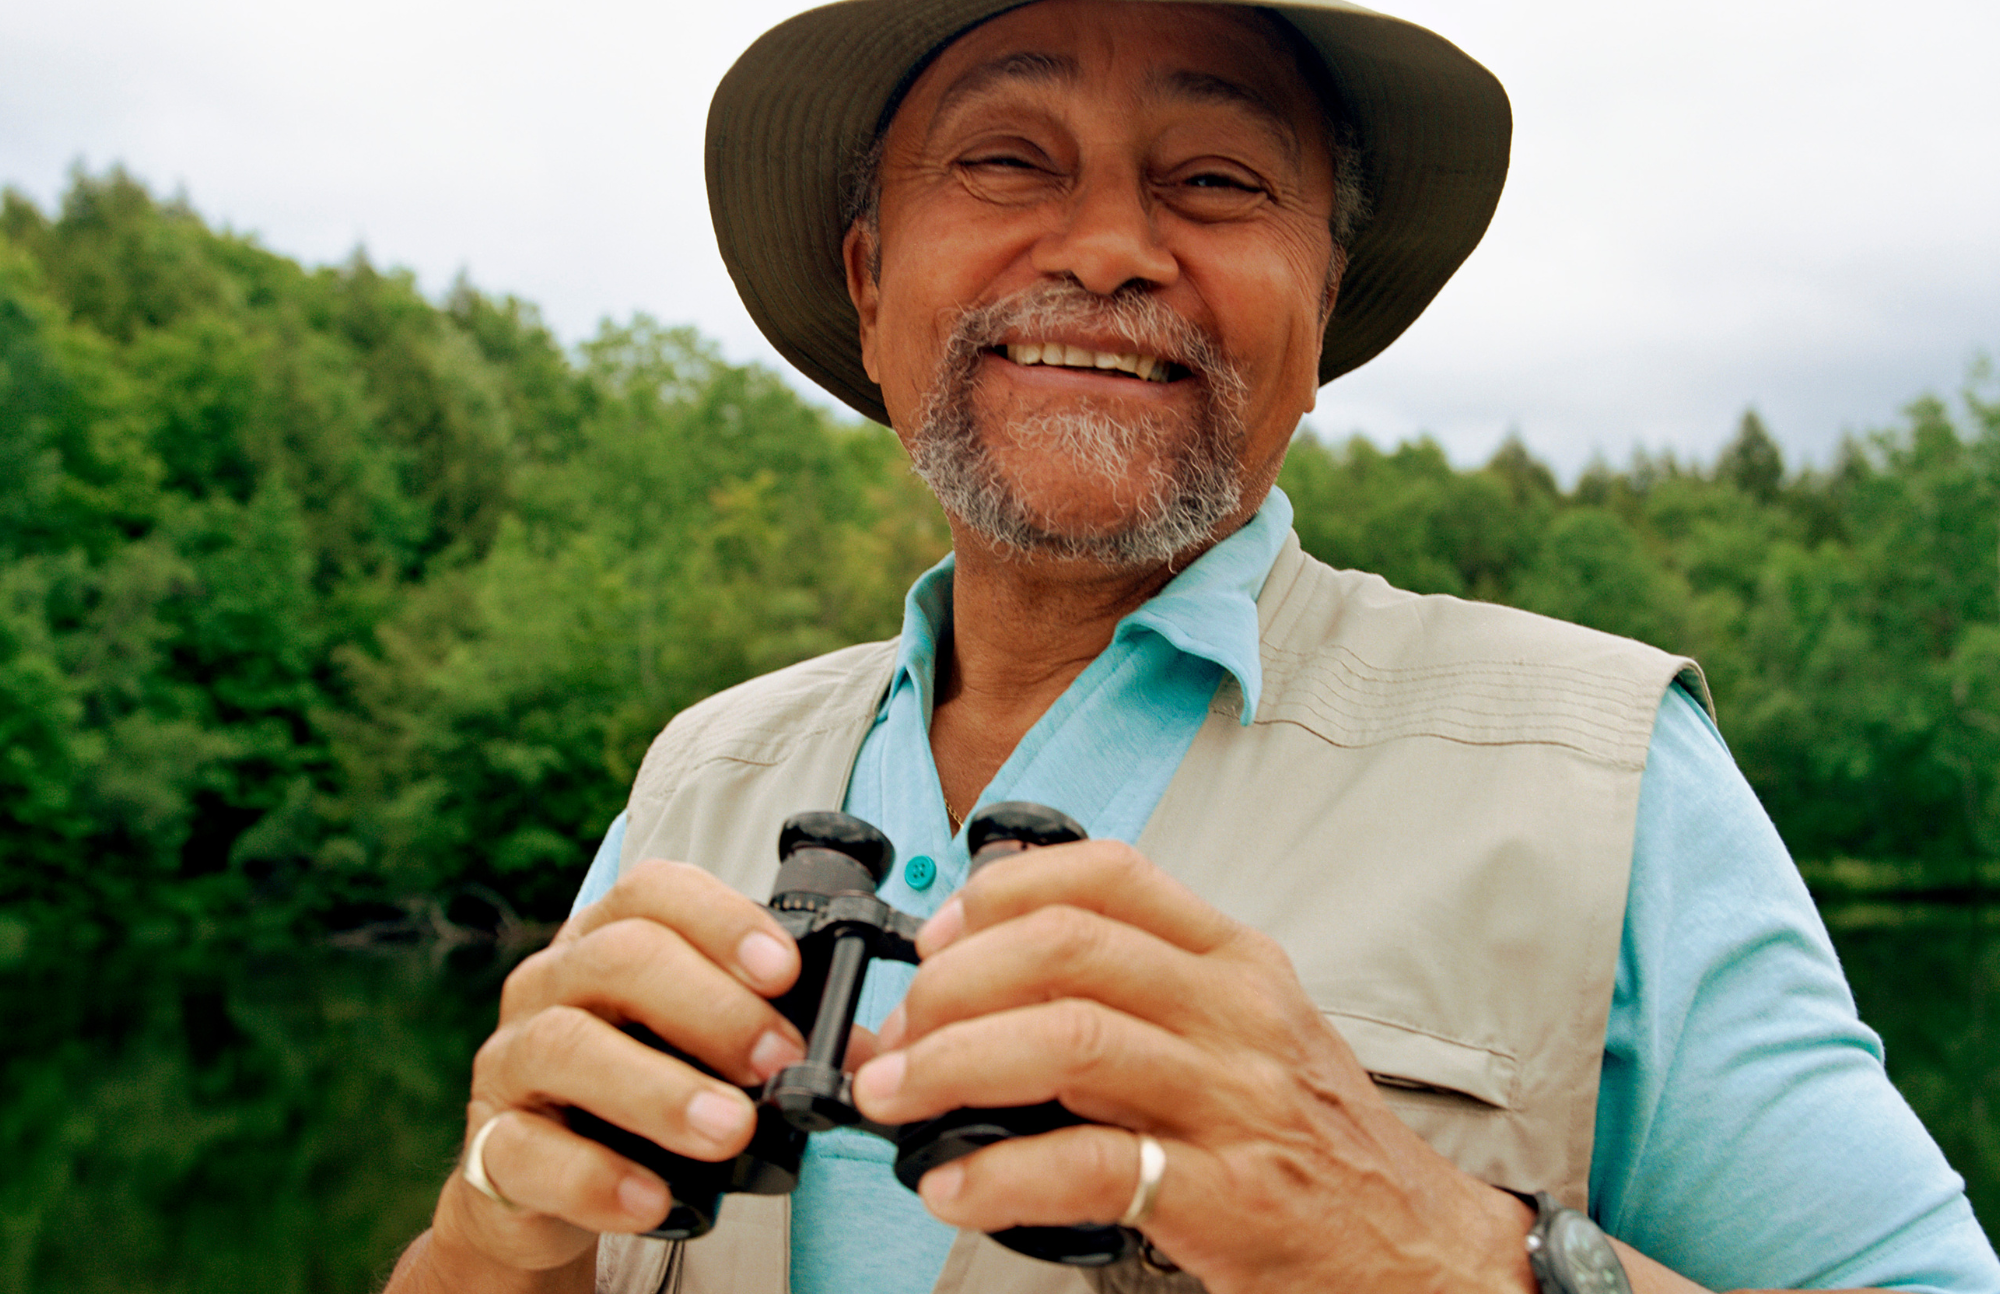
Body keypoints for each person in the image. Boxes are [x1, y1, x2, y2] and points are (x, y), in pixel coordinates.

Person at [384, 1, 2000, 1292]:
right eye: (1007, 160)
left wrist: (1440, 1252)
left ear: (1322, 304)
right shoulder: (695, 776)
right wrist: (485, 1240)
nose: (1107, 248)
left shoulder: (1601, 768)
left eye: (1214, 181)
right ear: (872, 290)